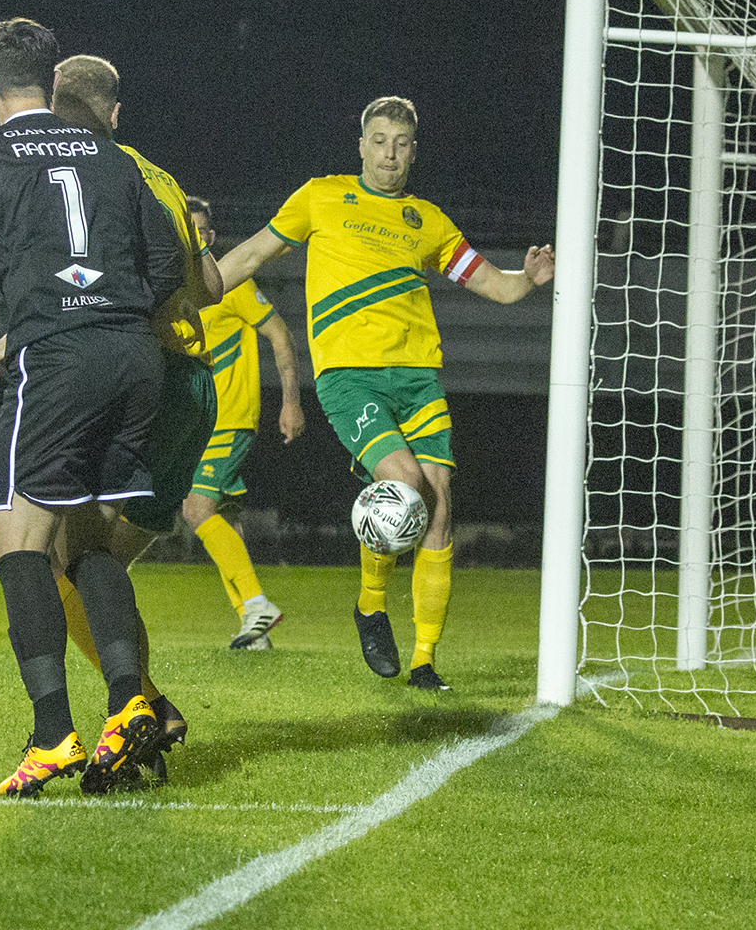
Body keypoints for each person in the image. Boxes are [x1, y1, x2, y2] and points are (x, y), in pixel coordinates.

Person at [215, 95, 555, 690]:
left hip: (418, 375)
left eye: (400, 144)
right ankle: (371, 605)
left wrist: (528, 277)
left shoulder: (429, 221)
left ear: (413, 151)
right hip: (350, 375)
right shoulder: (321, 197)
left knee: (441, 503)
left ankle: (423, 659)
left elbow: (497, 289)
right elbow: (251, 254)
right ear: (362, 144)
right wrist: (197, 287)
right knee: (404, 485)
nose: (388, 154)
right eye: (378, 140)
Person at [0, 20, 186, 796]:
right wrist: (112, 309)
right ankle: (127, 703)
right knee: (87, 538)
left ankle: (52, 734)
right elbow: (169, 262)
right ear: (52, 82)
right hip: (132, 359)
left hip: (55, 362)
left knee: (16, 543)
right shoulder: (113, 158)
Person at [41, 54, 222, 781]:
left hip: (134, 380)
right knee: (102, 564)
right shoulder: (162, 176)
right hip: (193, 391)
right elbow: (206, 284)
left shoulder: (85, 175)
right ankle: (144, 711)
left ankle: (142, 706)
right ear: (116, 111)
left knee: (67, 559)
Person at [184, 196, 305, 651]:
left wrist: (290, 401)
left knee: (195, 509)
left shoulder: (230, 283)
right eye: (188, 230)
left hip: (230, 416)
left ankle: (257, 605)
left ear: (211, 239)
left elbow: (280, 335)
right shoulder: (178, 289)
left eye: (202, 231)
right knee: (224, 520)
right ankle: (253, 628)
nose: (197, 238)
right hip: (202, 419)